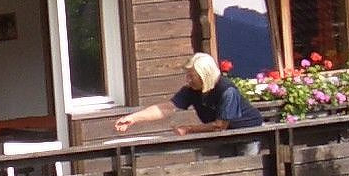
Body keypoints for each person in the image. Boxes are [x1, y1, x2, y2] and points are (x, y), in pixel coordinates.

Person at [113, 52, 264, 135]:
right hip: (222, 135)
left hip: (248, 133)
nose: (188, 80)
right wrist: (132, 118)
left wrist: (188, 129)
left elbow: (220, 126)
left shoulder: (227, 91)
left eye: (191, 76)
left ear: (204, 75)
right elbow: (165, 108)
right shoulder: (192, 90)